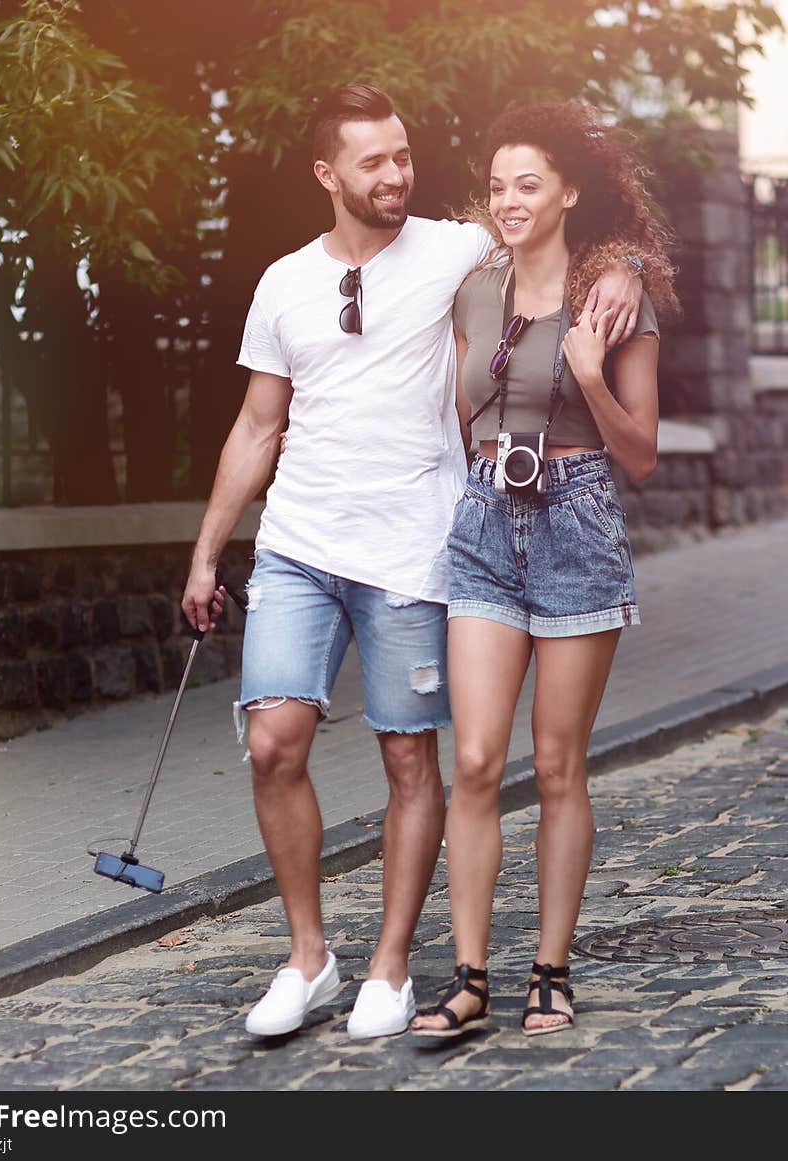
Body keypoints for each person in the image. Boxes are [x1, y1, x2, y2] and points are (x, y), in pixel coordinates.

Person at [181, 84, 655, 1041]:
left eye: (405, 156)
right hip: (382, 535)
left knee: (488, 760)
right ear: (328, 175)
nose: (399, 174)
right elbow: (257, 421)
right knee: (359, 750)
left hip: (488, 536)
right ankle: (372, 964)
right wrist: (204, 554)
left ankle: (468, 971)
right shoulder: (357, 278)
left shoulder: (511, 265)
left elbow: (575, 243)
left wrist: (627, 271)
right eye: (375, 162)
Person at [410, 101, 680, 1040]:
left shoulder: (613, 295)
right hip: (485, 524)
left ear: (569, 191)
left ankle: (550, 971)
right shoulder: (471, 286)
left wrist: (592, 373)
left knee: (559, 765)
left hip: (576, 524)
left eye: (530, 184)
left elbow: (641, 455)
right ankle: (470, 975)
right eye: (497, 186)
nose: (510, 200)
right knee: (477, 760)